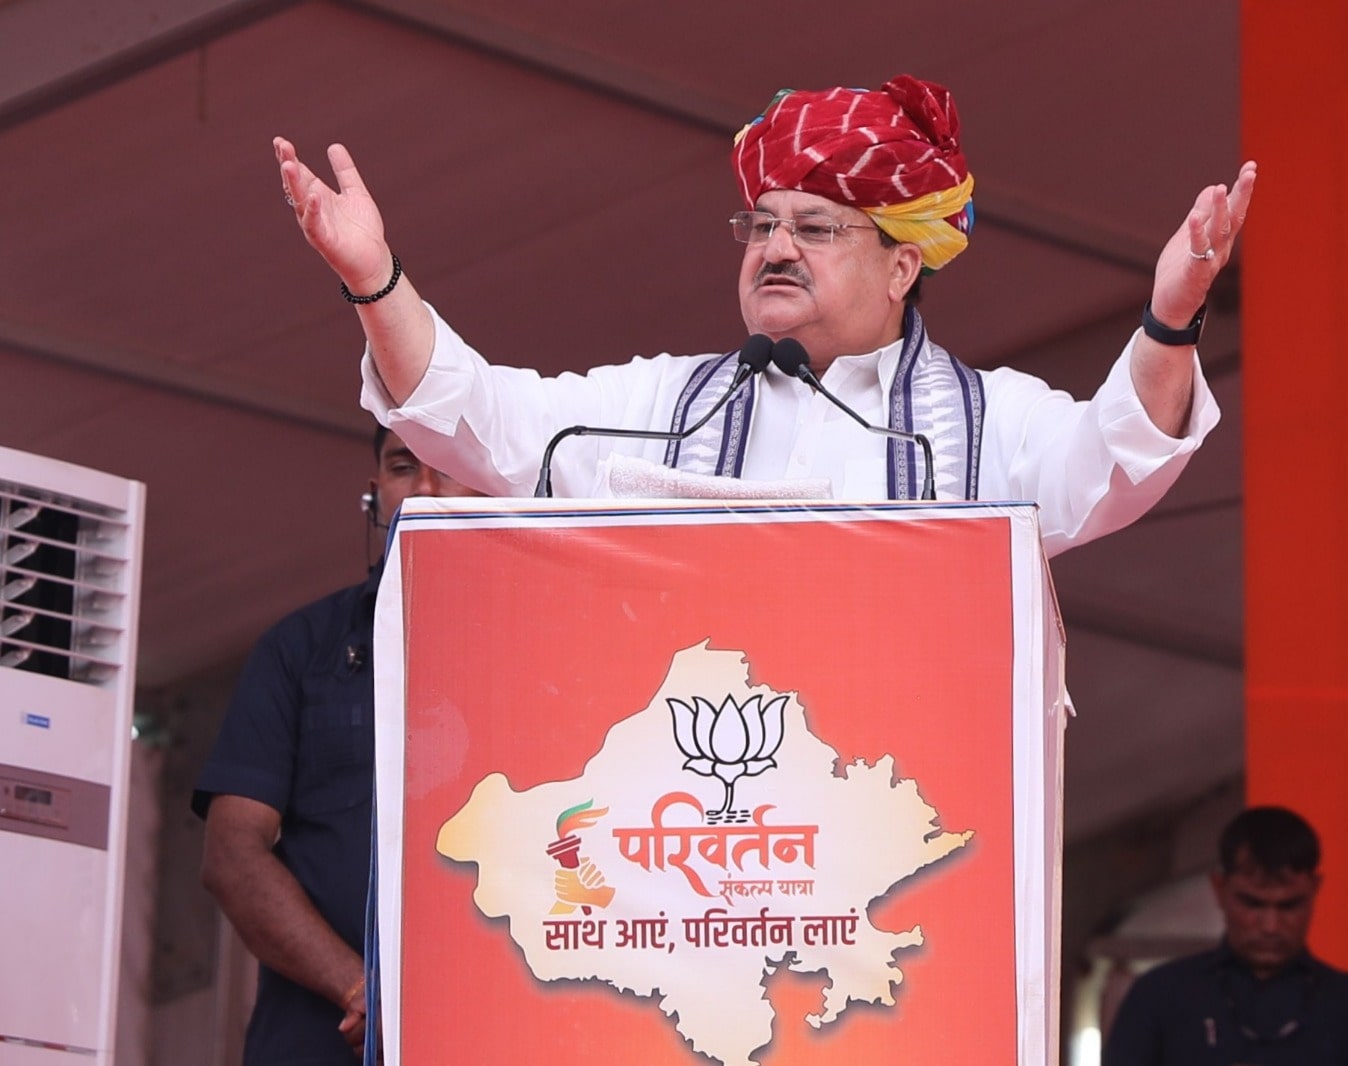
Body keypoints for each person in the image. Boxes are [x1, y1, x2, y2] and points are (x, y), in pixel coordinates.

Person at [273, 75, 1256, 557]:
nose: (775, 247)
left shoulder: (991, 421)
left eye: (816, 228)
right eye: (761, 225)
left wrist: (1169, 318)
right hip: (687, 867)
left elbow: (1116, 461)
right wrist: (374, 279)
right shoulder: (663, 400)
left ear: (902, 263)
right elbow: (465, 413)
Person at [193, 427, 481, 1063]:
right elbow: (232, 852)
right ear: (375, 498)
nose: (427, 489)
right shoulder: (300, 649)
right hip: (317, 1041)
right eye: (404, 467)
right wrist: (359, 988)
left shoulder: (547, 646)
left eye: (449, 467)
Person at [1103, 806, 1348, 1066]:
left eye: (1289, 905)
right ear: (1219, 890)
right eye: (1252, 903)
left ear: (1314, 892)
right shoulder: (1160, 995)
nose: (1270, 926)